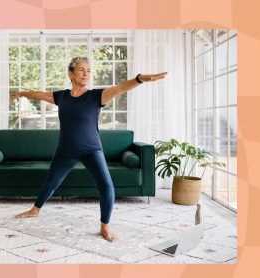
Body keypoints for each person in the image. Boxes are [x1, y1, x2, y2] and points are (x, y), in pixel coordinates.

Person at [10, 57, 167, 242]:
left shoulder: (96, 96)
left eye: (89, 70)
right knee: (51, 182)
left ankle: (104, 227)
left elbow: (121, 87)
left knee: (106, 186)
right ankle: (35, 210)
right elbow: (39, 94)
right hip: (66, 149)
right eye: (82, 70)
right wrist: (22, 93)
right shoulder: (61, 97)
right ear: (71, 73)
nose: (86, 74)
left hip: (91, 149)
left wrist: (140, 78)